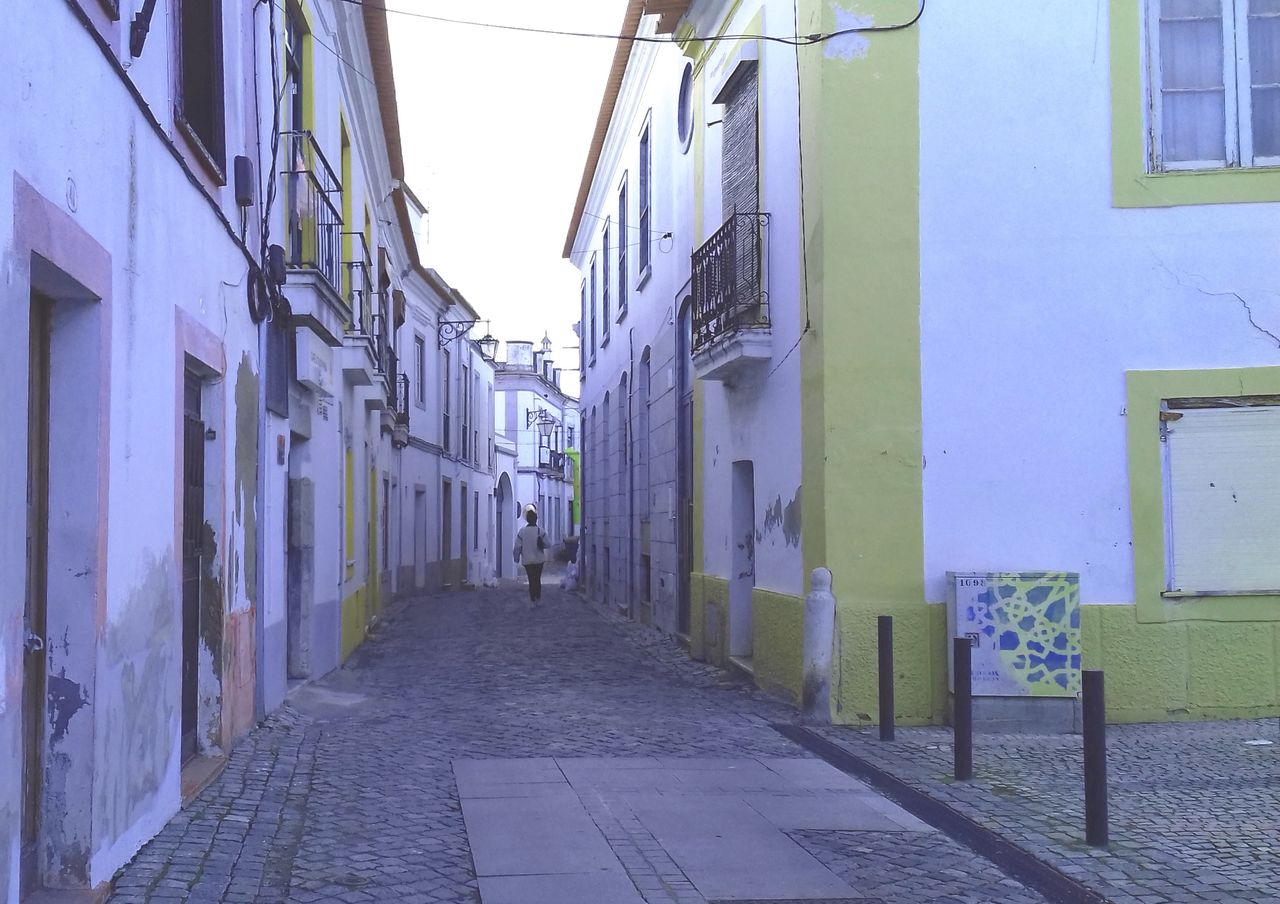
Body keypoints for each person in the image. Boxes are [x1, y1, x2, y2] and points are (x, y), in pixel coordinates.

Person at [512, 506, 549, 605]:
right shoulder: (540, 531)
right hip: (539, 560)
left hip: (527, 560)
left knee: (531, 580)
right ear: (536, 519)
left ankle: (532, 599)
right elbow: (548, 544)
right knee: (537, 579)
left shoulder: (522, 532)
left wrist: (516, 558)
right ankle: (538, 598)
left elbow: (517, 547)